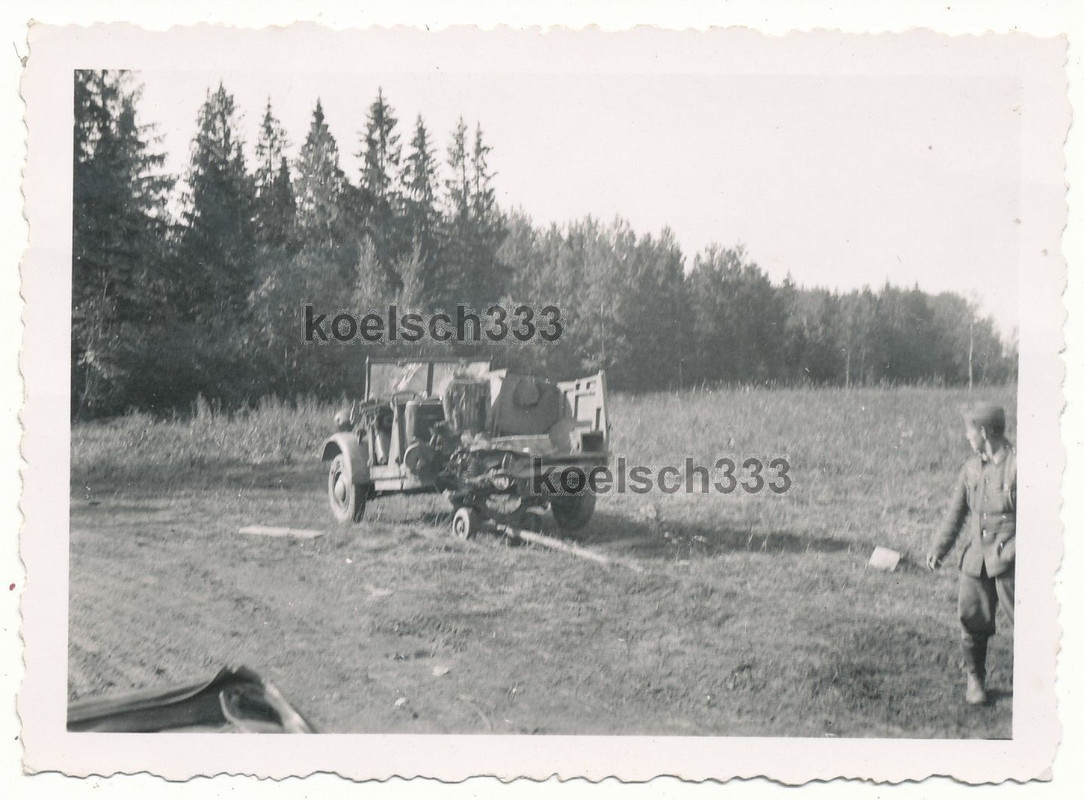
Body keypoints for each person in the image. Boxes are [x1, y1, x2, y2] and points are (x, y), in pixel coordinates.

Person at [926, 402, 1016, 706]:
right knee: (972, 619)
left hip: (1011, 561)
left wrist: (1015, 552)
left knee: (1027, 623)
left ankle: (1037, 684)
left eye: (969, 431)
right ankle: (975, 679)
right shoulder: (971, 468)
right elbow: (956, 513)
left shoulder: (1018, 467)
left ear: (985, 432)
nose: (966, 437)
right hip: (976, 560)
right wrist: (939, 549)